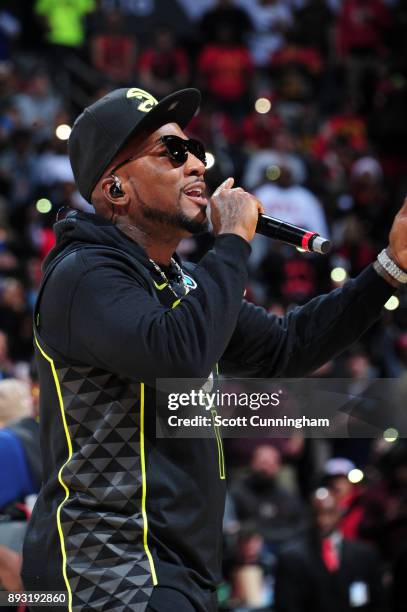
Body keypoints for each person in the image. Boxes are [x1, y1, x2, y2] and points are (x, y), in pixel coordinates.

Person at [21, 85, 407, 611]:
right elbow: (179, 354)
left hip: (176, 570)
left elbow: (287, 348)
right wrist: (232, 242)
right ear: (116, 189)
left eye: (196, 148)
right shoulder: (84, 274)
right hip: (111, 572)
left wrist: (389, 267)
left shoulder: (175, 280)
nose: (197, 163)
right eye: (172, 153)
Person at [274, 488, 386, 612]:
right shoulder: (291, 558)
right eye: (316, 513)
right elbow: (286, 605)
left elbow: (378, 602)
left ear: (340, 513)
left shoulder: (364, 555)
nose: (322, 520)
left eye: (329, 513)